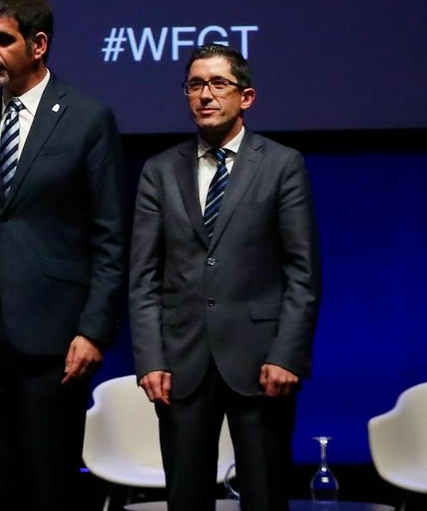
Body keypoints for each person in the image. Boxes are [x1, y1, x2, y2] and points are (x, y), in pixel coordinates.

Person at [0, 0, 127, 510]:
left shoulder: (87, 117)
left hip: (57, 339)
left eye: (2, 39)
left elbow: (110, 235)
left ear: (38, 45)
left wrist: (93, 328)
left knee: (50, 483)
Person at [130, 44, 321, 511]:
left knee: (266, 496)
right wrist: (151, 358)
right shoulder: (160, 171)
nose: (205, 95)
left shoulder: (281, 165)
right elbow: (143, 276)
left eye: (218, 84)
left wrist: (287, 355)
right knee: (185, 499)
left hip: (261, 364)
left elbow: (303, 273)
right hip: (182, 363)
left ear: (247, 97)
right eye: (195, 85)